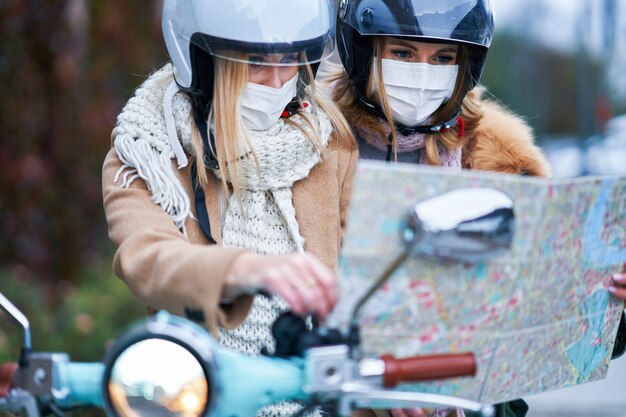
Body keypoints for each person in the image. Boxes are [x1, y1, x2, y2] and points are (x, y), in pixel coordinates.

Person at [323, 0, 626, 417]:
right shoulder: (313, 148)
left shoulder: (502, 166)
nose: (423, 73)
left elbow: (552, 325)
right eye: (403, 53)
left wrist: (612, 301)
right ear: (364, 51)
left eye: (443, 57)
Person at [102, 1, 356, 415]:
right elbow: (145, 258)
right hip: (196, 398)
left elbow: (364, 282)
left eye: (291, 61)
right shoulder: (146, 149)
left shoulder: (330, 144)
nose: (277, 82)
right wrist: (244, 270)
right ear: (203, 61)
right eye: (256, 63)